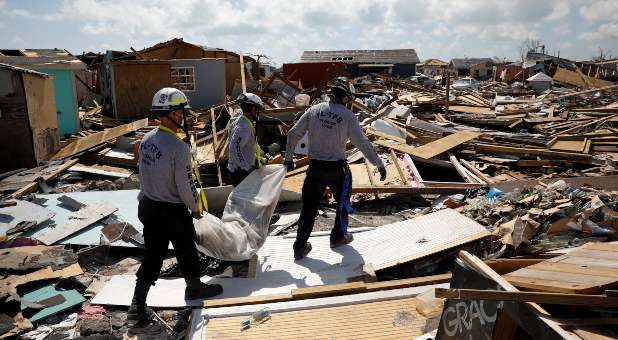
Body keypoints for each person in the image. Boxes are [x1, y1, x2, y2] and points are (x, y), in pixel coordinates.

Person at [128, 88, 222, 323]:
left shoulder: (147, 140)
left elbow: (145, 175)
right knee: (186, 250)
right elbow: (186, 185)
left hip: (148, 206)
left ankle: (137, 304)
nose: (183, 117)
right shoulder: (178, 147)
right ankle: (193, 288)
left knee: (153, 255)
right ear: (170, 113)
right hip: (171, 211)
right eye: (180, 112)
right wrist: (194, 207)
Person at [284, 81, 387, 260]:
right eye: (348, 98)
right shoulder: (348, 116)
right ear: (344, 97)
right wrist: (378, 163)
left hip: (315, 168)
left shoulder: (314, 110)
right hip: (337, 170)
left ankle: (299, 248)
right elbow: (362, 143)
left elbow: (293, 133)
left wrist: (288, 158)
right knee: (342, 203)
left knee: (308, 208)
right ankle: (338, 237)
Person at [227, 93, 265, 186]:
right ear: (253, 109)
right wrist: (245, 167)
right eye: (258, 110)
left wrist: (262, 152)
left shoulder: (241, 121)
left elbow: (249, 144)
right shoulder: (244, 127)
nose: (258, 113)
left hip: (239, 170)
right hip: (240, 172)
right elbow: (234, 148)